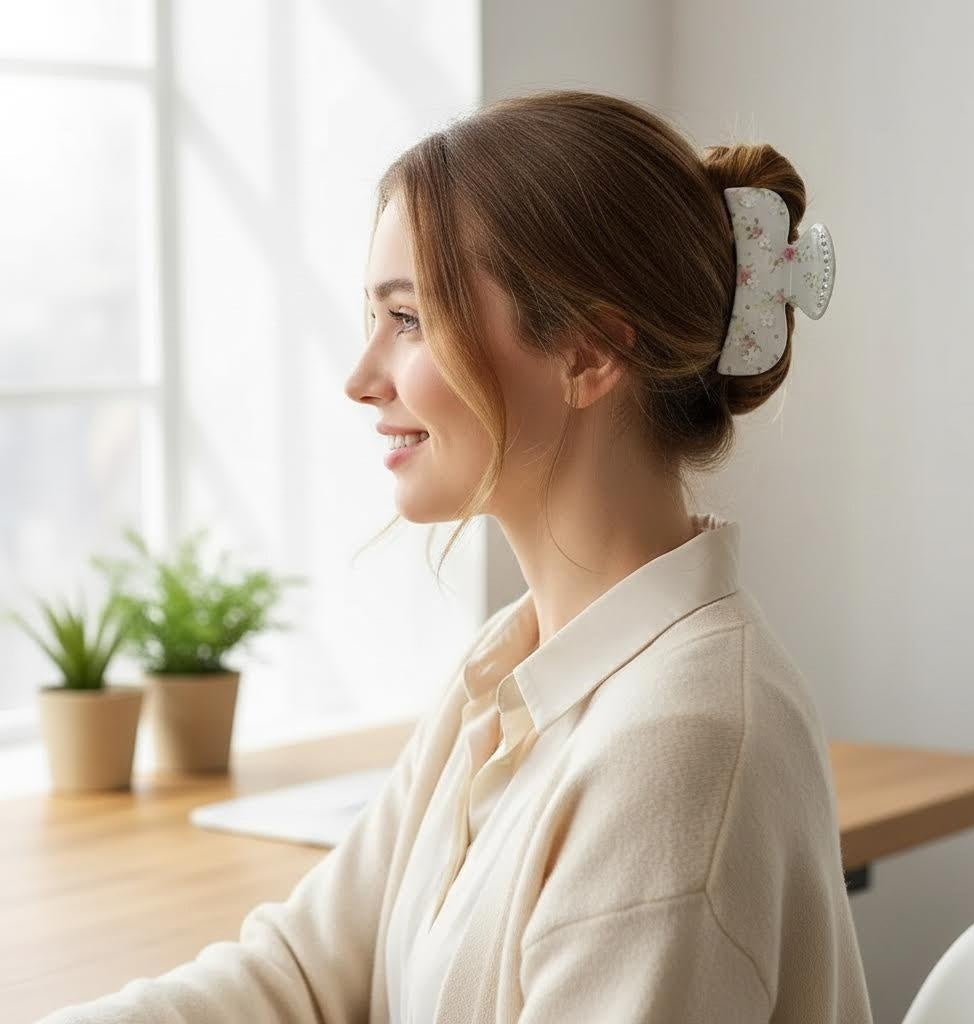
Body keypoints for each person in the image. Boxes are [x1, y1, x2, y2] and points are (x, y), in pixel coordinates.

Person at [38, 88, 872, 1023]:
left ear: (589, 354)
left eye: (408, 320)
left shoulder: (678, 755)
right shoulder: (509, 672)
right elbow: (305, 976)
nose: (360, 380)